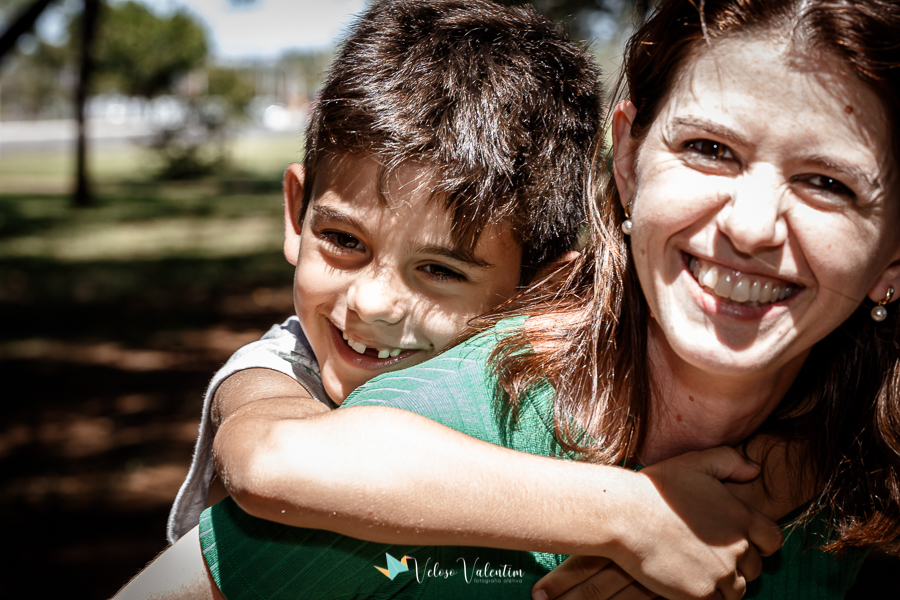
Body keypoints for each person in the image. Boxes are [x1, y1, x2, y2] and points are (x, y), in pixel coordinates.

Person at [117, 0, 900, 598]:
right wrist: (637, 515)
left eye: (827, 182)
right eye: (709, 149)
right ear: (627, 161)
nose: (376, 305)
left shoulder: (849, 451)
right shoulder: (436, 410)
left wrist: (765, 486)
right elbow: (270, 459)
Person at [164, 0, 603, 545]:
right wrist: (625, 518)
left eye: (439, 270)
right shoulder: (277, 369)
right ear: (298, 212)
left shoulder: (565, 382)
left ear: (541, 289)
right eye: (344, 240)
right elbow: (266, 463)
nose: (371, 303)